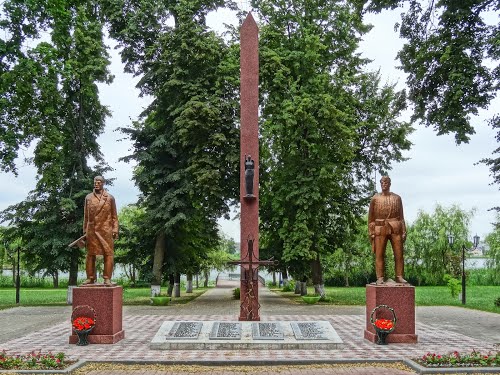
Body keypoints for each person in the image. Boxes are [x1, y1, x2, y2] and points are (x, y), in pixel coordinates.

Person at [368, 176, 408, 285]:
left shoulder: (397, 198)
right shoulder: (375, 199)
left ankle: (399, 276)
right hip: (380, 228)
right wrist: (371, 232)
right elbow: (371, 219)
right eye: (382, 182)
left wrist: (404, 231)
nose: (384, 184)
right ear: (380, 184)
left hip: (396, 227)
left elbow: (401, 217)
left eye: (386, 182)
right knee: (379, 254)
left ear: (390, 184)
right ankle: (380, 277)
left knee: (399, 254)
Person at [82, 176, 119, 285]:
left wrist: (115, 229)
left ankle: (107, 278)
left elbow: (114, 216)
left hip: (106, 230)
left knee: (108, 254)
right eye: (95, 182)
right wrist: (85, 231)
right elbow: (86, 217)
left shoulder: (110, 198)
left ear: (103, 183)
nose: (96, 184)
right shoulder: (88, 198)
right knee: (90, 254)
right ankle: (90, 277)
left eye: (99, 182)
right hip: (92, 230)